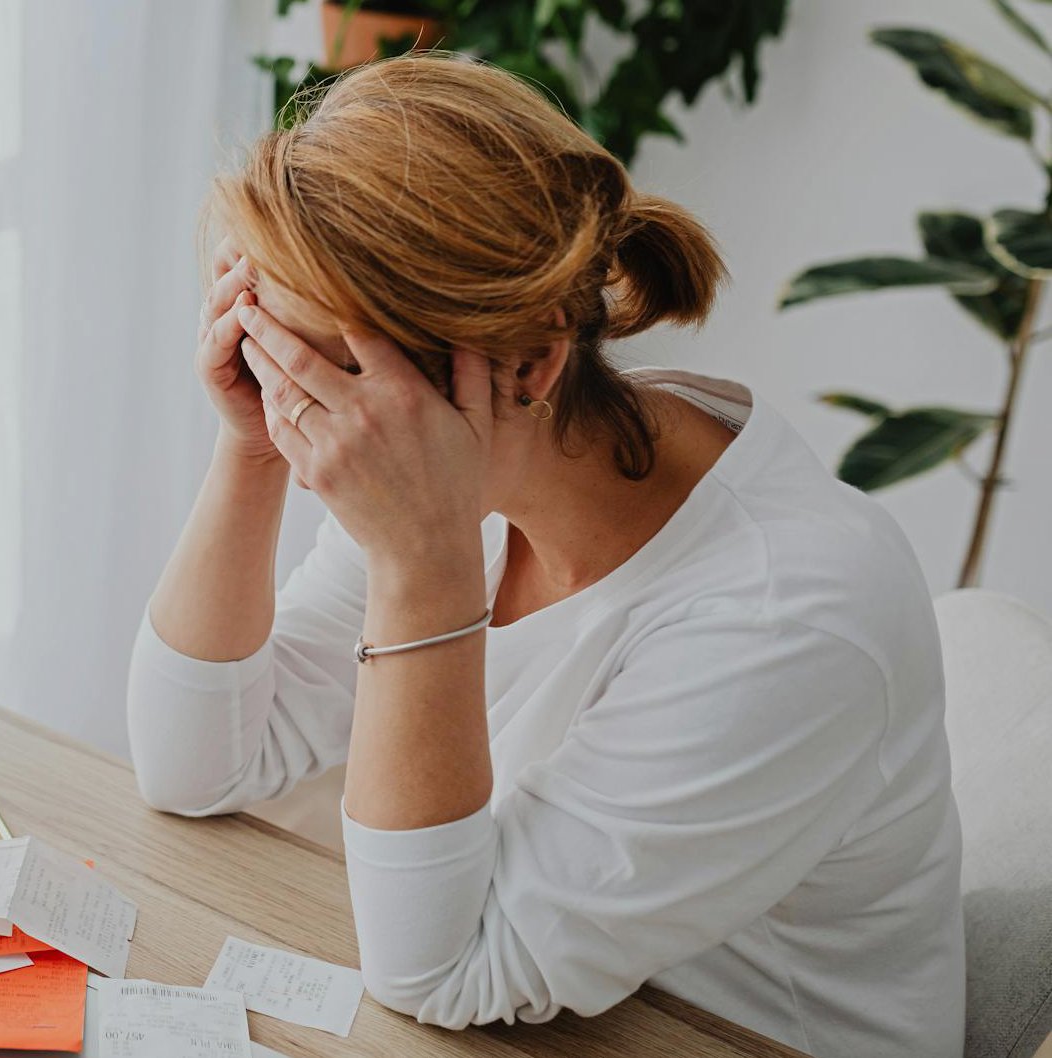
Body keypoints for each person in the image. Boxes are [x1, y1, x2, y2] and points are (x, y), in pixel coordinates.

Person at [126, 54, 963, 1058]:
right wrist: (250, 444)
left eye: (322, 376)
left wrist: (421, 565)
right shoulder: (474, 456)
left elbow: (438, 969)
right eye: (269, 356)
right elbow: (196, 764)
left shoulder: (788, 612)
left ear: (526, 363)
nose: (308, 419)